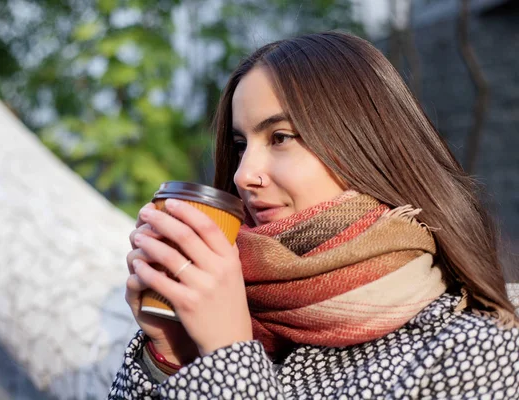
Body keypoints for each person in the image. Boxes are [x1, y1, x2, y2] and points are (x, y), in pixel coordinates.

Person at [107, 32, 519, 399]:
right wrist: (170, 354)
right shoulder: (225, 314)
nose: (243, 173)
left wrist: (229, 356)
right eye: (239, 144)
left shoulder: (475, 349)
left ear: (365, 145)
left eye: (280, 137)